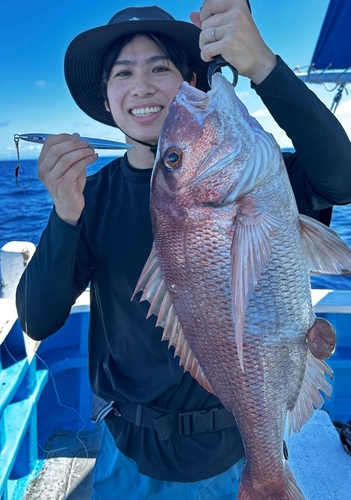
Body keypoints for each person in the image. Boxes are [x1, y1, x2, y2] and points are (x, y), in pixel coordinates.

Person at [16, 1, 351, 499]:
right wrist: (64, 215)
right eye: (123, 72)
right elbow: (37, 321)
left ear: (190, 78)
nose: (143, 85)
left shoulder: (258, 179)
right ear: (106, 101)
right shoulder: (91, 197)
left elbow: (339, 178)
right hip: (125, 448)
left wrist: (262, 66)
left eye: (161, 68)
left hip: (231, 445)